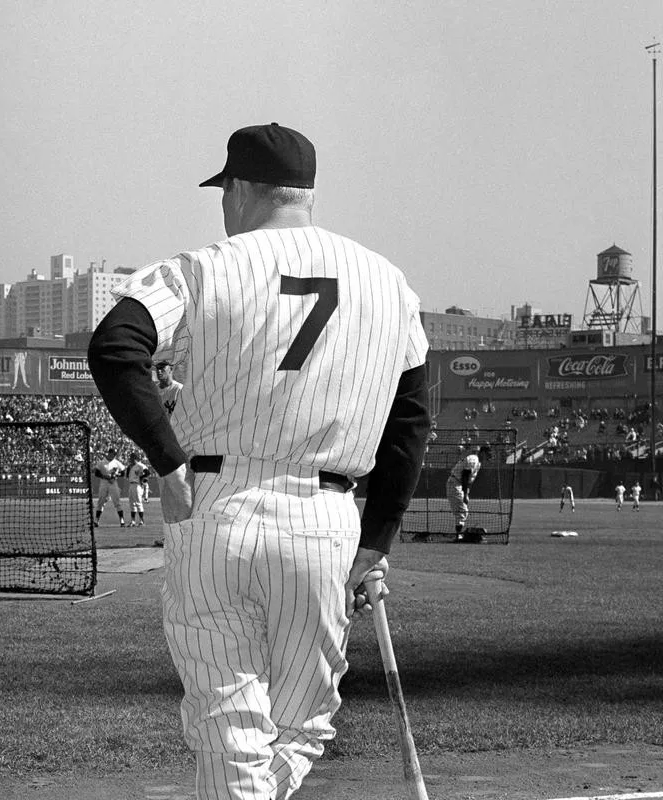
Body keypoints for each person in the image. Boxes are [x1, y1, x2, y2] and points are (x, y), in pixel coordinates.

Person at [87, 121, 430, 800]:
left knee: (229, 727)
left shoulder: (202, 266)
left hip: (217, 508)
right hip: (325, 519)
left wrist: (168, 461)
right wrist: (378, 541)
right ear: (307, 194)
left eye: (224, 191)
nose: (222, 205)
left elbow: (115, 346)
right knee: (302, 726)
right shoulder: (389, 282)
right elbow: (412, 419)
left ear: (242, 189)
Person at [446, 443, 492, 539]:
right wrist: (465, 494)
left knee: (461, 511)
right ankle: (458, 535)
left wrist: (467, 493)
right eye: (487, 453)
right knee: (463, 511)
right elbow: (465, 475)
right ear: (482, 452)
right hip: (455, 483)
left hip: (457, 484)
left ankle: (458, 534)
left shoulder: (477, 462)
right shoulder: (474, 459)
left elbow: (469, 480)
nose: (488, 456)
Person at [93, 447, 126, 527]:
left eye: (115, 454)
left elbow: (123, 472)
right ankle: (96, 520)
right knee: (101, 502)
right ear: (109, 453)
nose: (114, 455)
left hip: (113, 483)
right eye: (113, 454)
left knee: (117, 501)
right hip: (104, 483)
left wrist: (115, 475)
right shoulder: (101, 462)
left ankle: (122, 520)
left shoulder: (116, 462)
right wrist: (104, 476)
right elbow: (96, 473)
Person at [125, 451, 150, 526]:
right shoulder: (130, 466)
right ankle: (133, 521)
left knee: (138, 503)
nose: (130, 459)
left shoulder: (140, 465)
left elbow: (148, 473)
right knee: (132, 503)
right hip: (131, 485)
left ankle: (141, 521)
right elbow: (127, 476)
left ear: (135, 458)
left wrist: (141, 477)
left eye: (131, 458)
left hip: (137, 485)